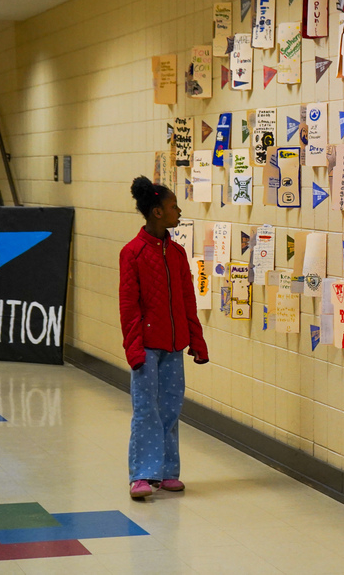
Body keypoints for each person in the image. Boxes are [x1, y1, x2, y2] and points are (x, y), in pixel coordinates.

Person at [119, 176, 208, 499]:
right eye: (173, 206)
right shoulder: (132, 253)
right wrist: (133, 349)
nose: (178, 211)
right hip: (146, 347)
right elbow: (128, 306)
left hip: (174, 345)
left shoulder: (178, 254)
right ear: (157, 212)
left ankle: (168, 471)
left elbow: (187, 301)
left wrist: (196, 341)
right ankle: (142, 474)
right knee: (146, 410)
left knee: (170, 408)